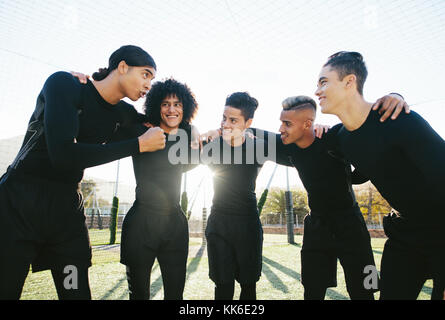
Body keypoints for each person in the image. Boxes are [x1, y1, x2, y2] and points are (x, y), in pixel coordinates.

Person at [0, 45, 166, 300]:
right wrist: (138, 145)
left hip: (65, 214)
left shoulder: (123, 115)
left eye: (151, 79)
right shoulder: (65, 85)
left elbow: (165, 125)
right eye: (145, 74)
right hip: (18, 205)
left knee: (75, 290)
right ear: (122, 67)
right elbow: (64, 155)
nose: (148, 85)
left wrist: (200, 133)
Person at [250, 93, 407, 300]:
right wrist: (216, 132)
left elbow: (370, 129)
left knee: (365, 291)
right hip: (317, 227)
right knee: (312, 291)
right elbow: (249, 131)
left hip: (351, 226)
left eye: (287, 123)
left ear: (307, 124)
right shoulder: (285, 145)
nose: (281, 129)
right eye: (281, 122)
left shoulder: (334, 138)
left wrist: (396, 96)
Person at [315, 51, 445, 300]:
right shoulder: (339, 137)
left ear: (349, 81)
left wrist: (397, 96)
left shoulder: (400, 121)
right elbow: (366, 164)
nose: (317, 90)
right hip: (405, 234)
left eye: (323, 82)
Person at [117, 78, 199, 300]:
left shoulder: (188, 139)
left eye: (177, 104)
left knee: (175, 296)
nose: (171, 109)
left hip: (175, 226)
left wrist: (195, 130)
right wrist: (85, 81)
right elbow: (112, 105)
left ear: (186, 108)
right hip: (140, 225)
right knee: (139, 296)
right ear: (156, 107)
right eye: (165, 104)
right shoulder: (141, 131)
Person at [201, 92, 265, 300]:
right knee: (223, 286)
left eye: (233, 120)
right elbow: (188, 146)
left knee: (248, 286)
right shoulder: (212, 146)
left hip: (248, 225)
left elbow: (292, 138)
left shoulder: (259, 148)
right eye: (224, 118)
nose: (226, 124)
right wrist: (206, 137)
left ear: (248, 122)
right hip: (219, 223)